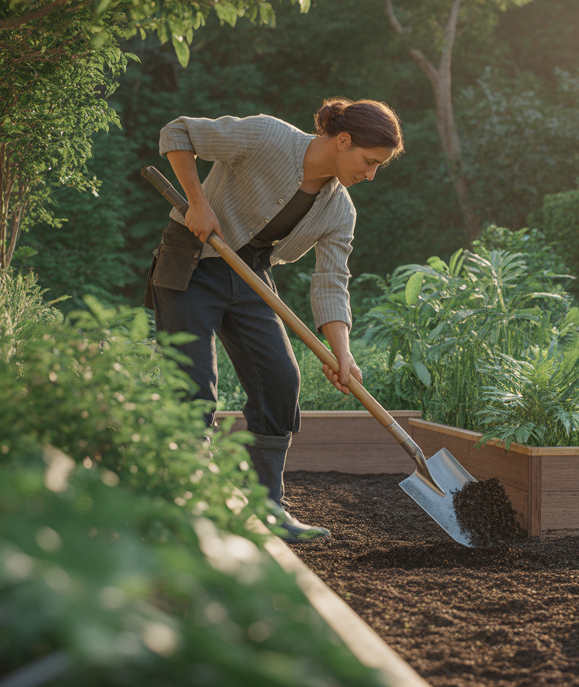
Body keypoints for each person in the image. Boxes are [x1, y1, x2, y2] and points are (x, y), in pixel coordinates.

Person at [144, 98, 403, 542]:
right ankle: (187, 503)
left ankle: (267, 508)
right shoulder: (268, 136)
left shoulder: (339, 210)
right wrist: (198, 203)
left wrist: (341, 354)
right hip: (191, 260)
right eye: (369, 161)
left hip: (250, 276)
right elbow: (177, 133)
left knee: (280, 382)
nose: (371, 174)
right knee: (192, 386)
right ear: (343, 141)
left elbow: (330, 283)